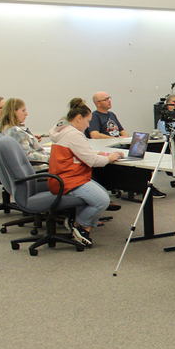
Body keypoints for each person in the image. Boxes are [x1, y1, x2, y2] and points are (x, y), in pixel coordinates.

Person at [49, 98, 123, 248]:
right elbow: (92, 161)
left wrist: (102, 153)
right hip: (68, 180)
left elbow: (83, 151)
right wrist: (110, 158)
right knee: (102, 200)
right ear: (79, 118)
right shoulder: (74, 134)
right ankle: (78, 225)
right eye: (87, 121)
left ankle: (82, 228)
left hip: (64, 177)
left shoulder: (63, 131)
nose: (88, 125)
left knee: (101, 193)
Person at [0, 98, 50, 170]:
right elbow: (27, 156)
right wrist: (51, 158)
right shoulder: (16, 132)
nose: (26, 114)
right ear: (13, 112)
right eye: (23, 111)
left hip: (38, 166)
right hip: (39, 168)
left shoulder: (8, 129)